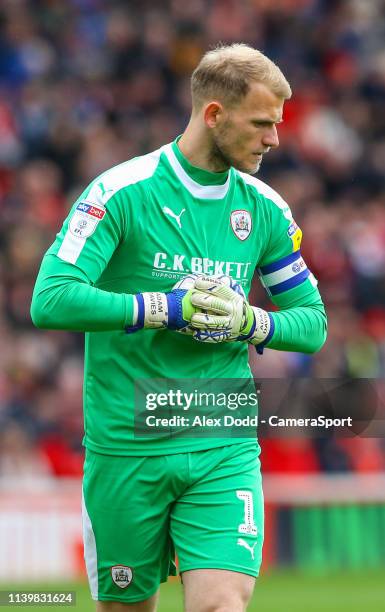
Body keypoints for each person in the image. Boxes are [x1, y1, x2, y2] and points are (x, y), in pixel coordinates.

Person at [31, 44, 327, 612]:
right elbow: (51, 299)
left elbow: (311, 325)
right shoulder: (121, 192)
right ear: (214, 114)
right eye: (262, 123)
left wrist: (250, 320)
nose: (274, 139)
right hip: (127, 445)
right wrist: (160, 309)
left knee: (222, 605)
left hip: (221, 441)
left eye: (277, 125)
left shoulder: (265, 209)